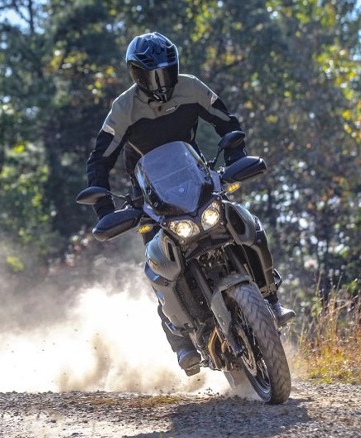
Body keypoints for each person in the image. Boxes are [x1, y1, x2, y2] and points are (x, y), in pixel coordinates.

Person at [85, 32, 295, 371]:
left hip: (196, 180)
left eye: (167, 72)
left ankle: (270, 295)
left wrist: (236, 158)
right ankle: (181, 342)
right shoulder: (123, 108)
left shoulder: (192, 87)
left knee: (246, 224)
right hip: (150, 197)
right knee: (159, 264)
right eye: (152, 75)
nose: (161, 81)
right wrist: (106, 210)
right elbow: (99, 161)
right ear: (136, 74)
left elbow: (228, 123)